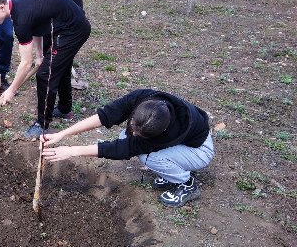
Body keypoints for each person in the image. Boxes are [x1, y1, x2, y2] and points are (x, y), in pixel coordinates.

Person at [42, 89, 215, 208]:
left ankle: (186, 183)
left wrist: (72, 151)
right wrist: (63, 134)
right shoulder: (144, 98)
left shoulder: (168, 134)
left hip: (198, 151)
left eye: (140, 134)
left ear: (158, 132)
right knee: (127, 137)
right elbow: (105, 116)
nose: (133, 131)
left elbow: (121, 149)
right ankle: (172, 171)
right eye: (133, 125)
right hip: (184, 142)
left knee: (147, 157)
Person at [0, 0, 91, 139]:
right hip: (68, 24)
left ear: (2, 7)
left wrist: (11, 89)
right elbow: (37, 26)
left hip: (73, 29)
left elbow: (25, 63)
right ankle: (64, 109)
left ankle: (42, 125)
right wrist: (40, 55)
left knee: (45, 74)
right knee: (58, 66)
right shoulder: (17, 4)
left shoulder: (21, 20)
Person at [31, 0, 83, 121]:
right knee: (51, 64)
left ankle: (64, 108)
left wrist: (77, 20)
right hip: (47, 25)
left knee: (61, 66)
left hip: (66, 26)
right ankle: (59, 106)